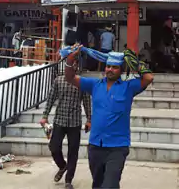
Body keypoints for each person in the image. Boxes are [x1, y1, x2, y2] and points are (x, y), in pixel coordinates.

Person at [63, 45, 154, 189]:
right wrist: (70, 58)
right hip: (95, 146)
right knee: (98, 184)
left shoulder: (129, 87)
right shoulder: (94, 85)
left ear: (121, 70)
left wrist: (135, 63)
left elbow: (149, 77)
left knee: (110, 184)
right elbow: (70, 77)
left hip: (117, 147)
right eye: (108, 66)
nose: (110, 70)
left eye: (114, 67)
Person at [40, 73, 92, 189]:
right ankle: (63, 166)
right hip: (60, 120)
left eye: (74, 63)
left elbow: (86, 101)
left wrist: (89, 119)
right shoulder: (58, 80)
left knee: (73, 152)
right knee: (54, 147)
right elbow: (51, 98)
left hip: (75, 122)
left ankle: (68, 180)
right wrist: (45, 116)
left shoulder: (81, 82)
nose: (71, 65)